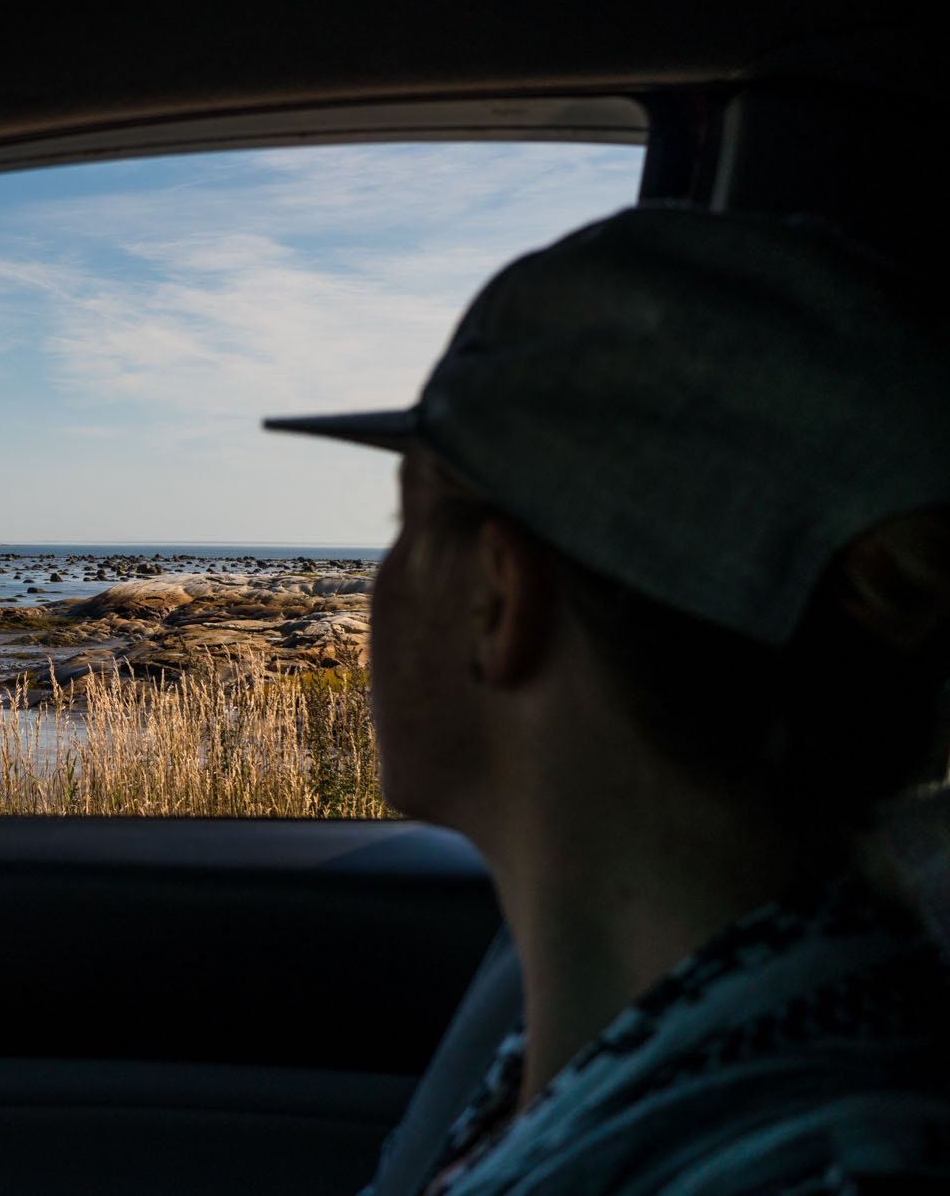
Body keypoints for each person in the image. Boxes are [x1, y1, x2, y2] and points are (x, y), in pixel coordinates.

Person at [265, 204, 950, 1194]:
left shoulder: (822, 1166)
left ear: (495, 597)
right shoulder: (720, 1028)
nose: (382, 577)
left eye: (400, 520)